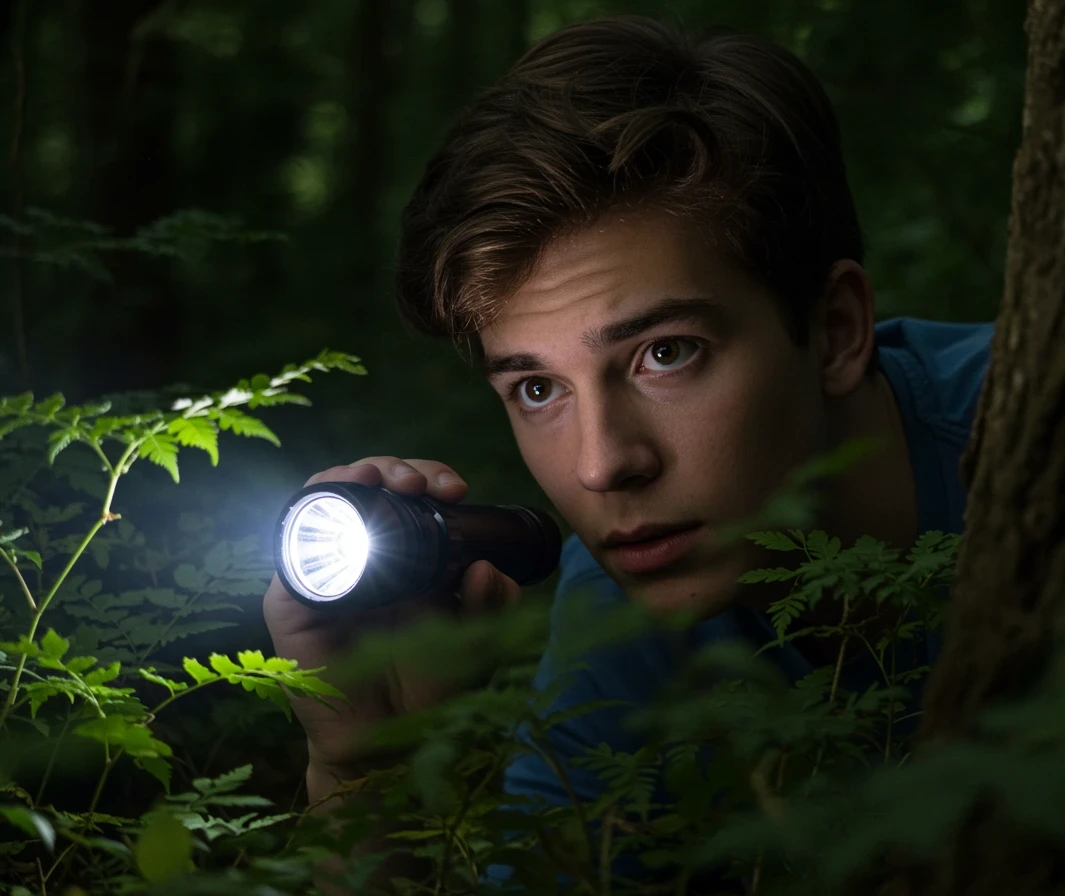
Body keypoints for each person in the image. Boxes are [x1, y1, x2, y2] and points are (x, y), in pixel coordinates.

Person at [263, 13, 993, 887]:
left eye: (666, 353)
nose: (602, 465)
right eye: (538, 389)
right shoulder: (622, 614)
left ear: (835, 331)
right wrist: (361, 772)